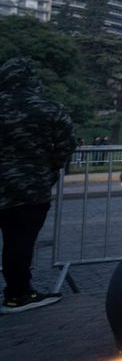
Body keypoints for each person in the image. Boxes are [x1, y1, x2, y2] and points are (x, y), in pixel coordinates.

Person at [0, 58, 76, 314]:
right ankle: (18, 294)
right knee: (19, 241)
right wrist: (50, 169)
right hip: (30, 186)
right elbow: (66, 145)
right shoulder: (48, 109)